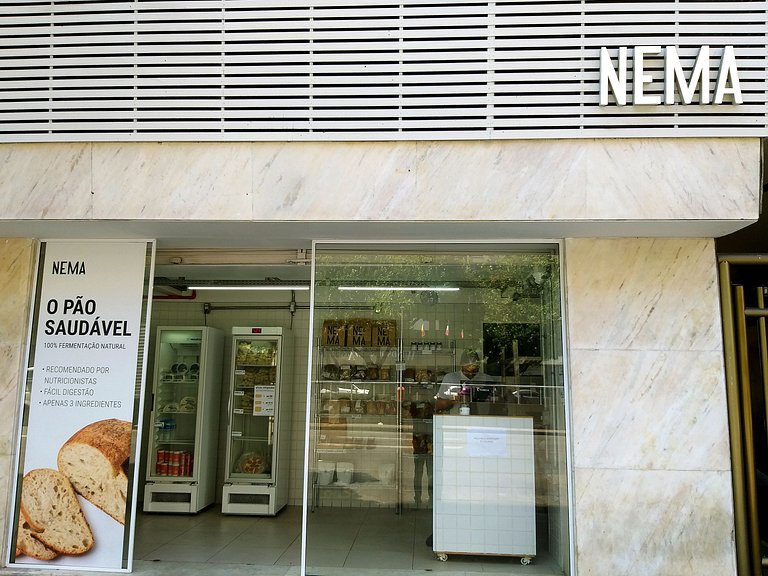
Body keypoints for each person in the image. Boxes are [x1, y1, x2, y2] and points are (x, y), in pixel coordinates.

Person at [434, 349, 497, 414]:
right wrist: (452, 400)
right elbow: (438, 405)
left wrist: (491, 399)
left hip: (482, 420)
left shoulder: (487, 379)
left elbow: (499, 404)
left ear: (478, 367)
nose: (470, 374)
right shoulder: (450, 378)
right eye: (467, 371)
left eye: (474, 371)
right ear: (462, 366)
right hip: (457, 421)